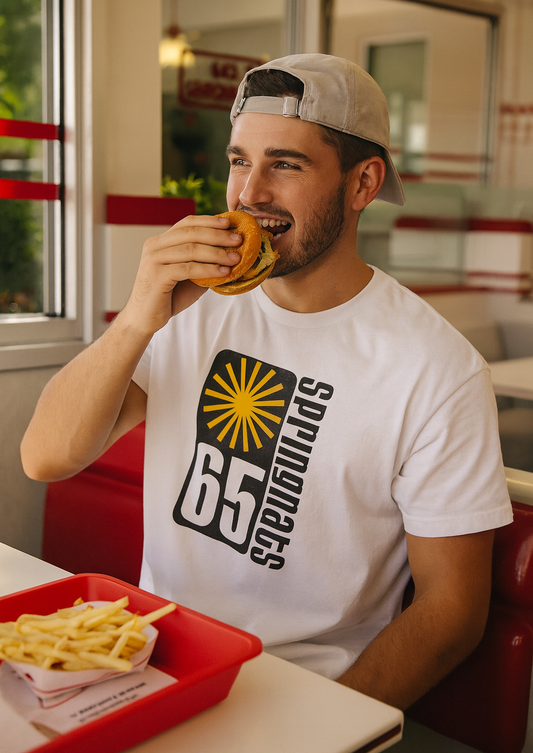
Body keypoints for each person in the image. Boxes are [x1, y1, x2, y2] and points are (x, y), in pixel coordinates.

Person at [21, 54, 513, 710]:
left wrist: (326, 734)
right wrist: (138, 315)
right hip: (150, 665)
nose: (249, 192)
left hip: (304, 698)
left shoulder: (436, 369)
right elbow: (45, 458)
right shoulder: (193, 306)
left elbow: (450, 616)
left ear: (362, 184)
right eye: (237, 161)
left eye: (284, 163)